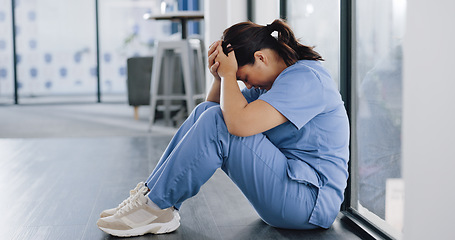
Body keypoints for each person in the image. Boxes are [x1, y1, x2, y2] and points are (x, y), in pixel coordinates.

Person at [97, 19, 350, 237]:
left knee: (219, 121)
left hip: (309, 205)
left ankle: (155, 207)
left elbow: (233, 125)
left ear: (260, 57)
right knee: (206, 112)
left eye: (245, 78)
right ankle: (150, 197)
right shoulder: (272, 82)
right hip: (290, 193)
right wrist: (220, 77)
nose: (247, 86)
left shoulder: (306, 79)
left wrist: (230, 76)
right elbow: (211, 113)